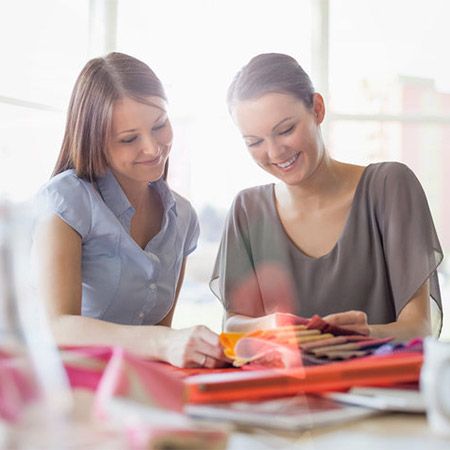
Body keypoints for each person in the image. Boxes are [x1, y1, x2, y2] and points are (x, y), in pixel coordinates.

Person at [210, 53, 443, 341]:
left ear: (317, 109)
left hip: (379, 383)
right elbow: (233, 324)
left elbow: (419, 328)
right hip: (283, 385)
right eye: (254, 142)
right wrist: (275, 324)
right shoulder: (247, 209)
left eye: (285, 130)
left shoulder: (389, 187)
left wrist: (356, 335)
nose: (274, 153)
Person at [32, 52, 228, 368]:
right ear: (94, 141)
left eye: (160, 125)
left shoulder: (183, 218)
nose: (152, 148)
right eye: (128, 139)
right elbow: (56, 328)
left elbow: (161, 343)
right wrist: (163, 343)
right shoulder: (66, 201)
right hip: (67, 392)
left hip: (134, 392)